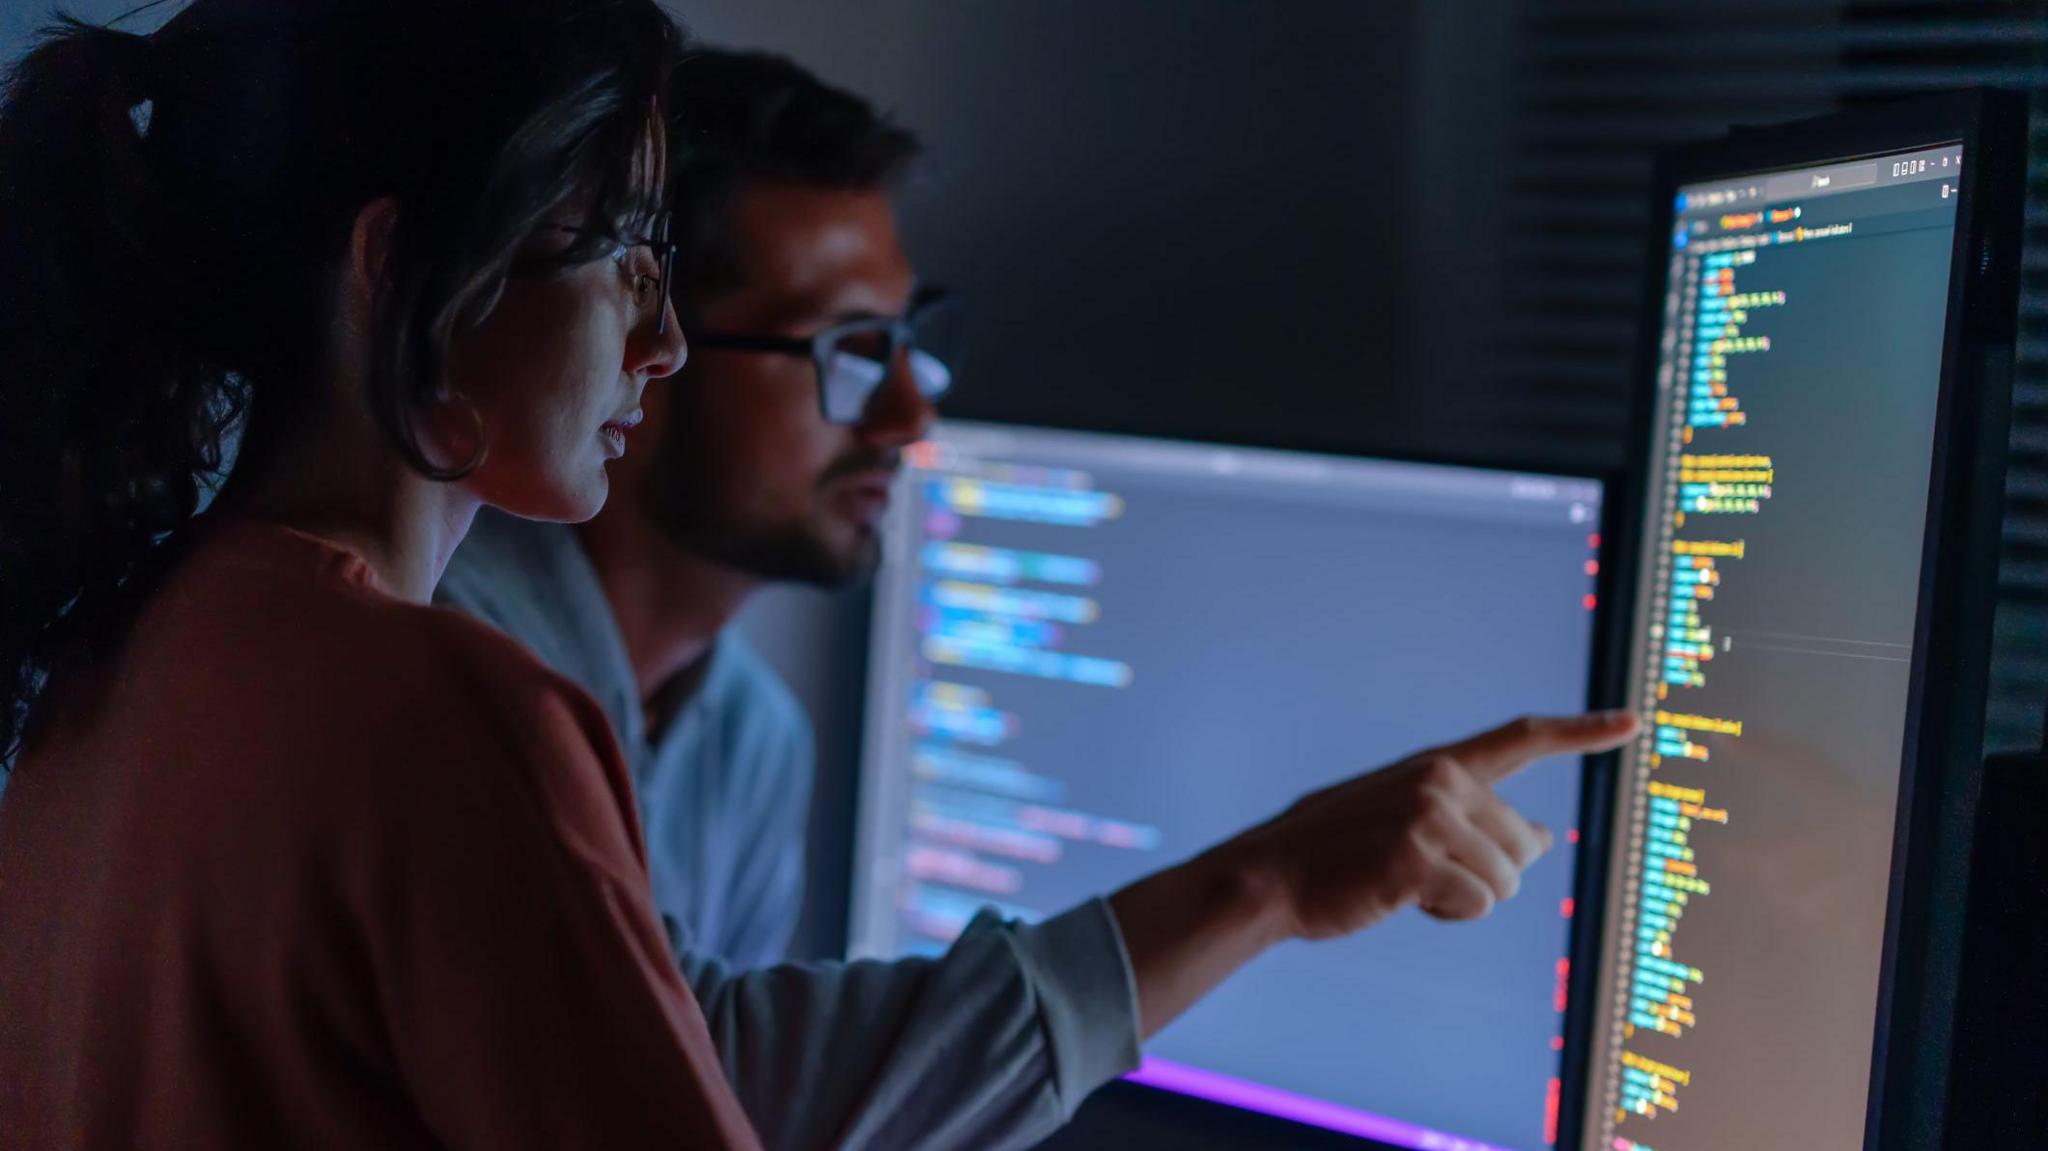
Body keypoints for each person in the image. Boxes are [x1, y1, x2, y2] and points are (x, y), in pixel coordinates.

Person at [437, 49, 1639, 1151]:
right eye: (850, 348)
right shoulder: (457, 666)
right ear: (649, 342)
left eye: (915, 341)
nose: (911, 416)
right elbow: (693, 1086)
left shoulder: (748, 738)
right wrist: (1268, 881)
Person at [0, 2, 763, 1145]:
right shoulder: (453, 717)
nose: (666, 344)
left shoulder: (91, 675)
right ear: (402, 265)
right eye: (626, 250)